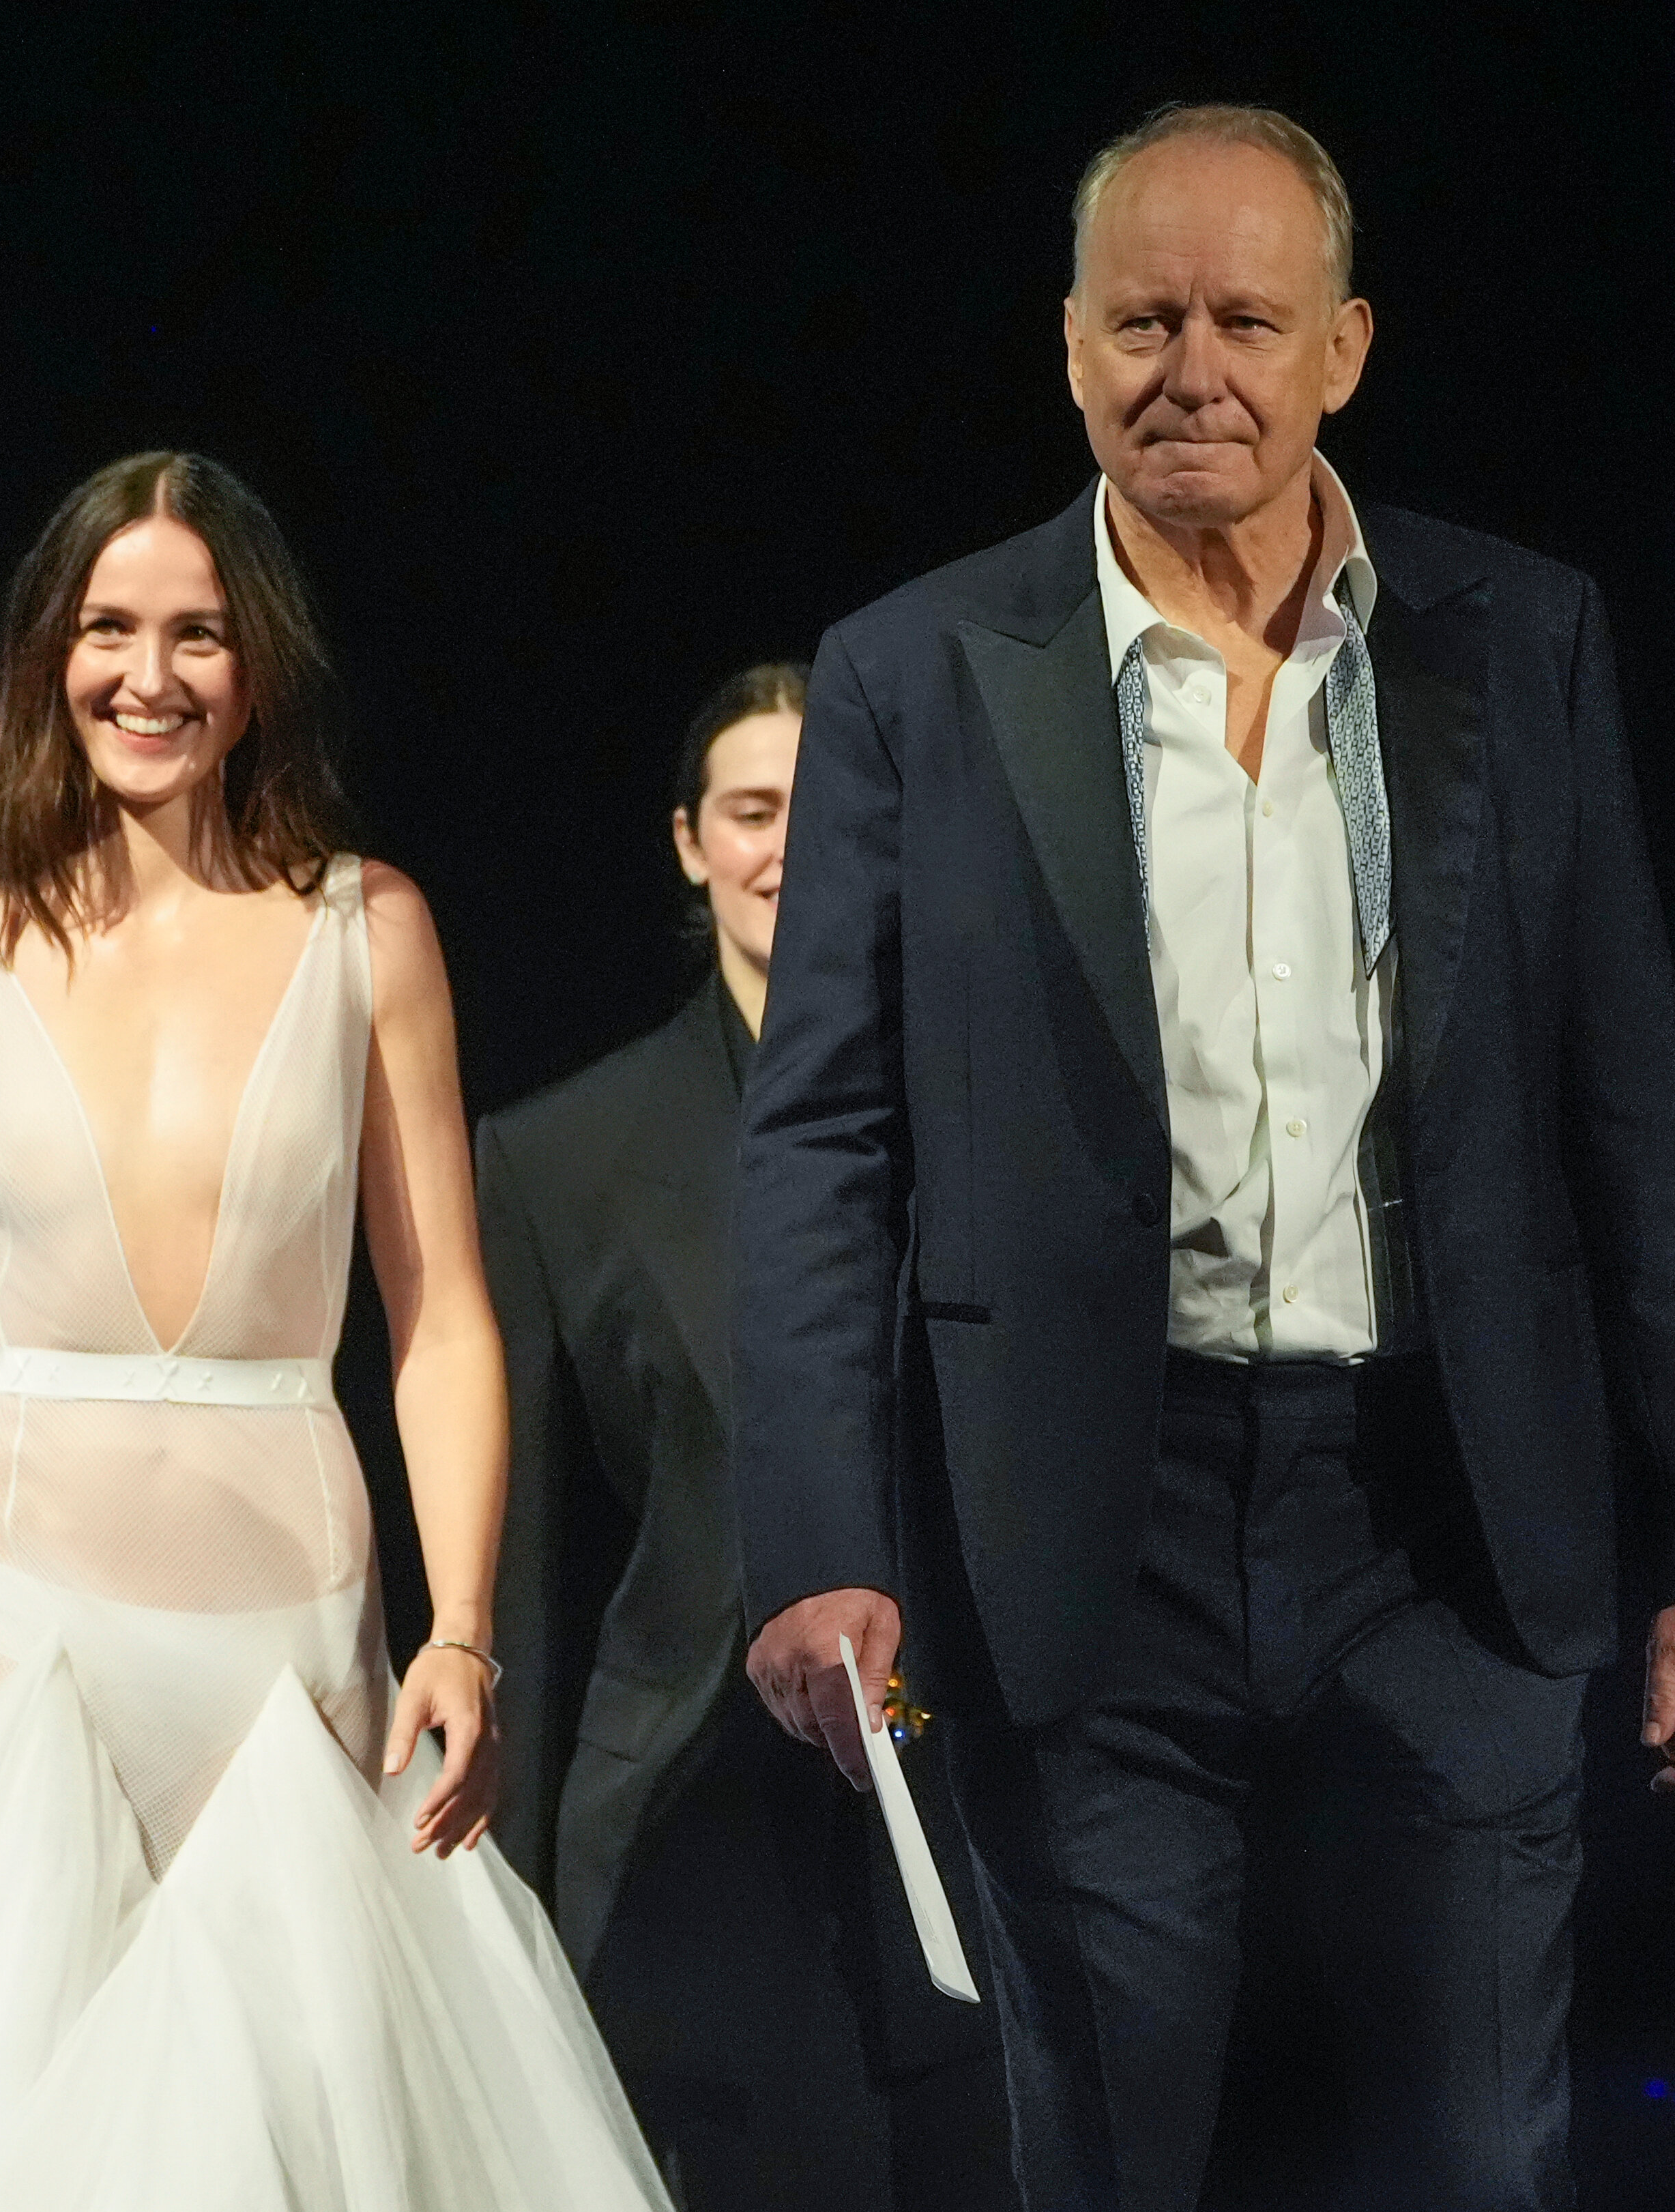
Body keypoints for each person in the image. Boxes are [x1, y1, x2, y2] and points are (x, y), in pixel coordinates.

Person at [731, 105, 1675, 2211]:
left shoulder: (1520, 637)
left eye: (1243, 318)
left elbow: (1633, 1119)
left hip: (1448, 1517)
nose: (1189, 367)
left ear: (1346, 349)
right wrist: (822, 1540)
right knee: (1113, 2160)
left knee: (1482, 2155)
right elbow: (824, 1143)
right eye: (1141, 319)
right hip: (1082, 1540)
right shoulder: (916, 674)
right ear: (1066, 346)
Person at [0, 452, 669, 2211]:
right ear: (45, 655)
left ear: (258, 674)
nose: (145, 676)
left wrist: (461, 1629)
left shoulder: (364, 930)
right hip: (15, 1641)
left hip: (286, 1663)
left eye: (195, 635)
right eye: (104, 629)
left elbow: (441, 1316)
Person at [482, 663, 1008, 2209]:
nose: (792, 841)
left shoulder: (994, 1105)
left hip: (980, 1779)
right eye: (752, 808)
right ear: (687, 840)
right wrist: (505, 1899)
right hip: (698, 1820)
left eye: (830, 805)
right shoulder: (556, 1154)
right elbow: (521, 1564)